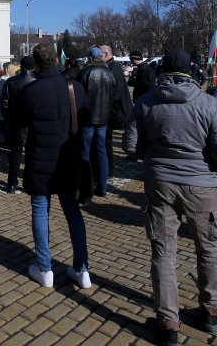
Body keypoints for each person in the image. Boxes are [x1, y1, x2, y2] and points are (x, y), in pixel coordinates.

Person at [123, 48, 217, 344]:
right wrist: (209, 167)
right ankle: (212, 308)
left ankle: (168, 321)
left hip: (160, 182)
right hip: (201, 184)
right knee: (208, 248)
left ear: (163, 70)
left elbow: (130, 145)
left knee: (163, 251)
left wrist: (153, 158)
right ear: (189, 70)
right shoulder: (208, 103)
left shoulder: (146, 101)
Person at [12, 43, 91, 290]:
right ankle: (82, 269)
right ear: (56, 60)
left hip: (41, 158)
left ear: (35, 64)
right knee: (73, 212)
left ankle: (45, 269)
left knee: (40, 210)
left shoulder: (30, 90)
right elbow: (86, 119)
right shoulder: (75, 87)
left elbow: (18, 123)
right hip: (68, 157)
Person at [77, 47, 115, 197]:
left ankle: (86, 186)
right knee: (101, 152)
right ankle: (102, 187)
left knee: (85, 153)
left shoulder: (85, 72)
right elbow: (114, 94)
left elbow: (79, 96)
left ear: (91, 58)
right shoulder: (109, 73)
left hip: (87, 117)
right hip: (103, 118)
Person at [1, 56, 36, 193]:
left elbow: (4, 103)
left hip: (15, 121)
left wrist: (8, 118)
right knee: (30, 153)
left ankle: (12, 183)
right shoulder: (37, 81)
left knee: (15, 153)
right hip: (31, 122)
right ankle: (27, 182)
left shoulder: (11, 81)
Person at [100, 44, 131, 181]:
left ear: (105, 55)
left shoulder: (113, 69)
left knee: (107, 142)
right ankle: (107, 168)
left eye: (99, 54)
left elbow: (116, 93)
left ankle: (109, 169)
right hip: (113, 110)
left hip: (113, 111)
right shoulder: (113, 67)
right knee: (106, 141)